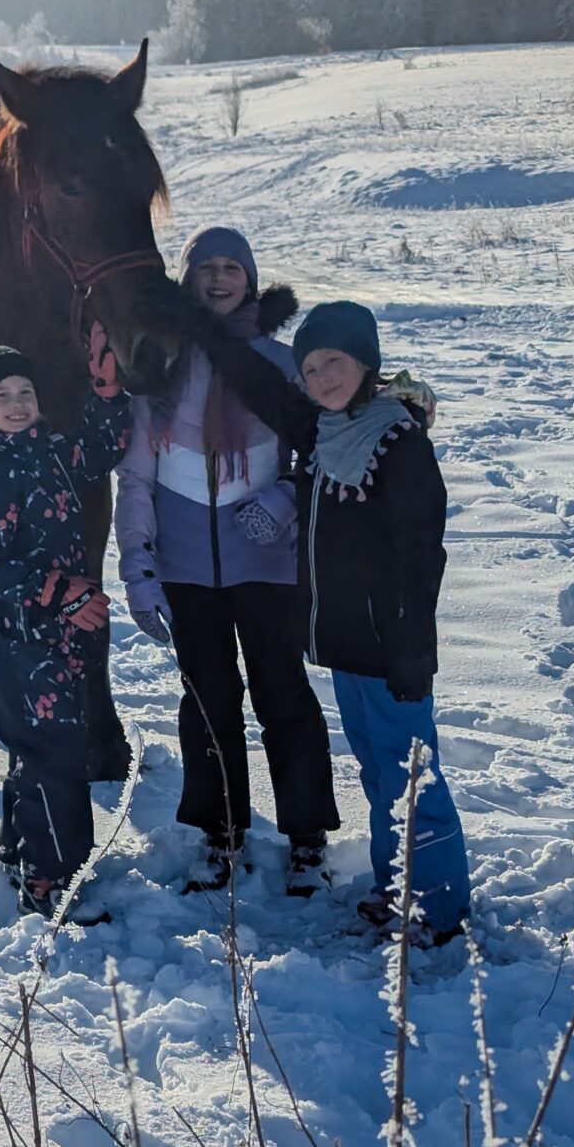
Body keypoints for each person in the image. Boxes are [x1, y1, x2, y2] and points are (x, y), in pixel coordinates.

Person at [194, 296, 471, 942]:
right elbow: (266, 390)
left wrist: (409, 652)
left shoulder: (396, 442)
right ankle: (396, 886)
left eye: (334, 362)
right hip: (347, 645)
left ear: (366, 362)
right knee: (380, 774)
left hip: (391, 649)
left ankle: (439, 908)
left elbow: (418, 557)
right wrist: (210, 333)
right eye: (310, 367)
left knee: (412, 781)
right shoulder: (324, 431)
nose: (321, 378)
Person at [117, 226, 338, 895]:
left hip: (267, 561)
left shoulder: (278, 361)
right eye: (205, 267)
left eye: (230, 267)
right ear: (188, 281)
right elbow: (135, 477)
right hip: (185, 567)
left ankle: (306, 841)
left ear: (250, 278)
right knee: (208, 702)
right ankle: (221, 836)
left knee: (284, 697)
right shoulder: (158, 364)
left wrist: (282, 501)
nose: (218, 278)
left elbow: (319, 448)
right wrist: (138, 568)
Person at [0, 335, 129, 919]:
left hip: (67, 633)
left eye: (25, 391)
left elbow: (104, 448)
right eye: (1, 396)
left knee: (42, 749)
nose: (17, 403)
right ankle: (52, 882)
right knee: (53, 754)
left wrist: (108, 392)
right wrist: (60, 591)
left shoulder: (54, 452)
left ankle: (21, 850)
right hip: (20, 636)